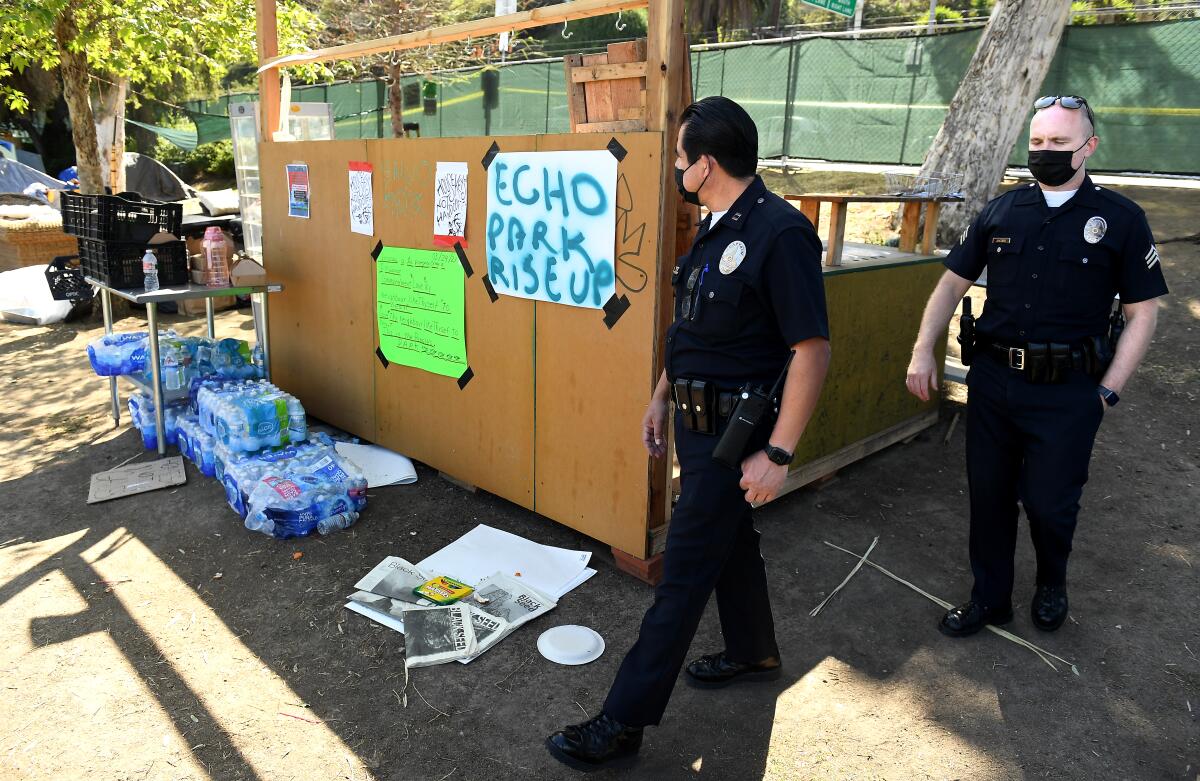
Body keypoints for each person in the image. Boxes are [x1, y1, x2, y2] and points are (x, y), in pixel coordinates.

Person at [545, 96, 831, 772]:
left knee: (681, 580)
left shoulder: (780, 234)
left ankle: (622, 720)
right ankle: (754, 649)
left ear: (705, 165)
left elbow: (811, 351)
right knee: (730, 546)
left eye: (680, 157)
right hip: (697, 424)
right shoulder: (713, 227)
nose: (676, 167)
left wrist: (779, 453)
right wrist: (659, 395)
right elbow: (693, 330)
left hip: (740, 432)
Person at [906, 95, 1168, 638]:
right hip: (996, 382)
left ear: (1088, 148)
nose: (1045, 153)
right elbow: (952, 282)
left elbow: (1143, 312)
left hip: (1069, 391)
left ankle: (1052, 581)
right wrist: (921, 349)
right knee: (990, 497)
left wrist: (1109, 390)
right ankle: (989, 598)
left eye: (1060, 144)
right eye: (1038, 143)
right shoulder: (1002, 211)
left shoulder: (1120, 219)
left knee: (1051, 504)